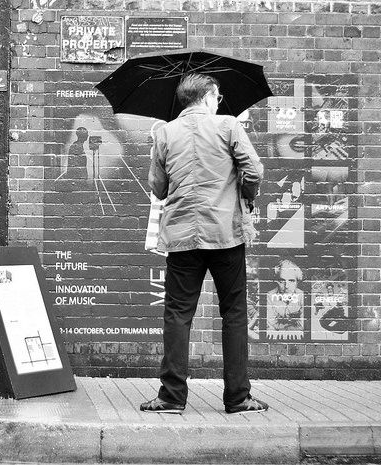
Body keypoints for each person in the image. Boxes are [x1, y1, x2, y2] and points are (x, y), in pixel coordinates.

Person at [141, 73, 267, 414]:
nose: (219, 101)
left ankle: (171, 397)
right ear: (209, 96)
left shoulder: (164, 132)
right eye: (218, 95)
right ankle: (238, 398)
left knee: (178, 315)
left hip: (182, 237)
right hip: (226, 234)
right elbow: (254, 170)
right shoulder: (228, 126)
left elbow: (159, 188)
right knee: (235, 314)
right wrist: (245, 195)